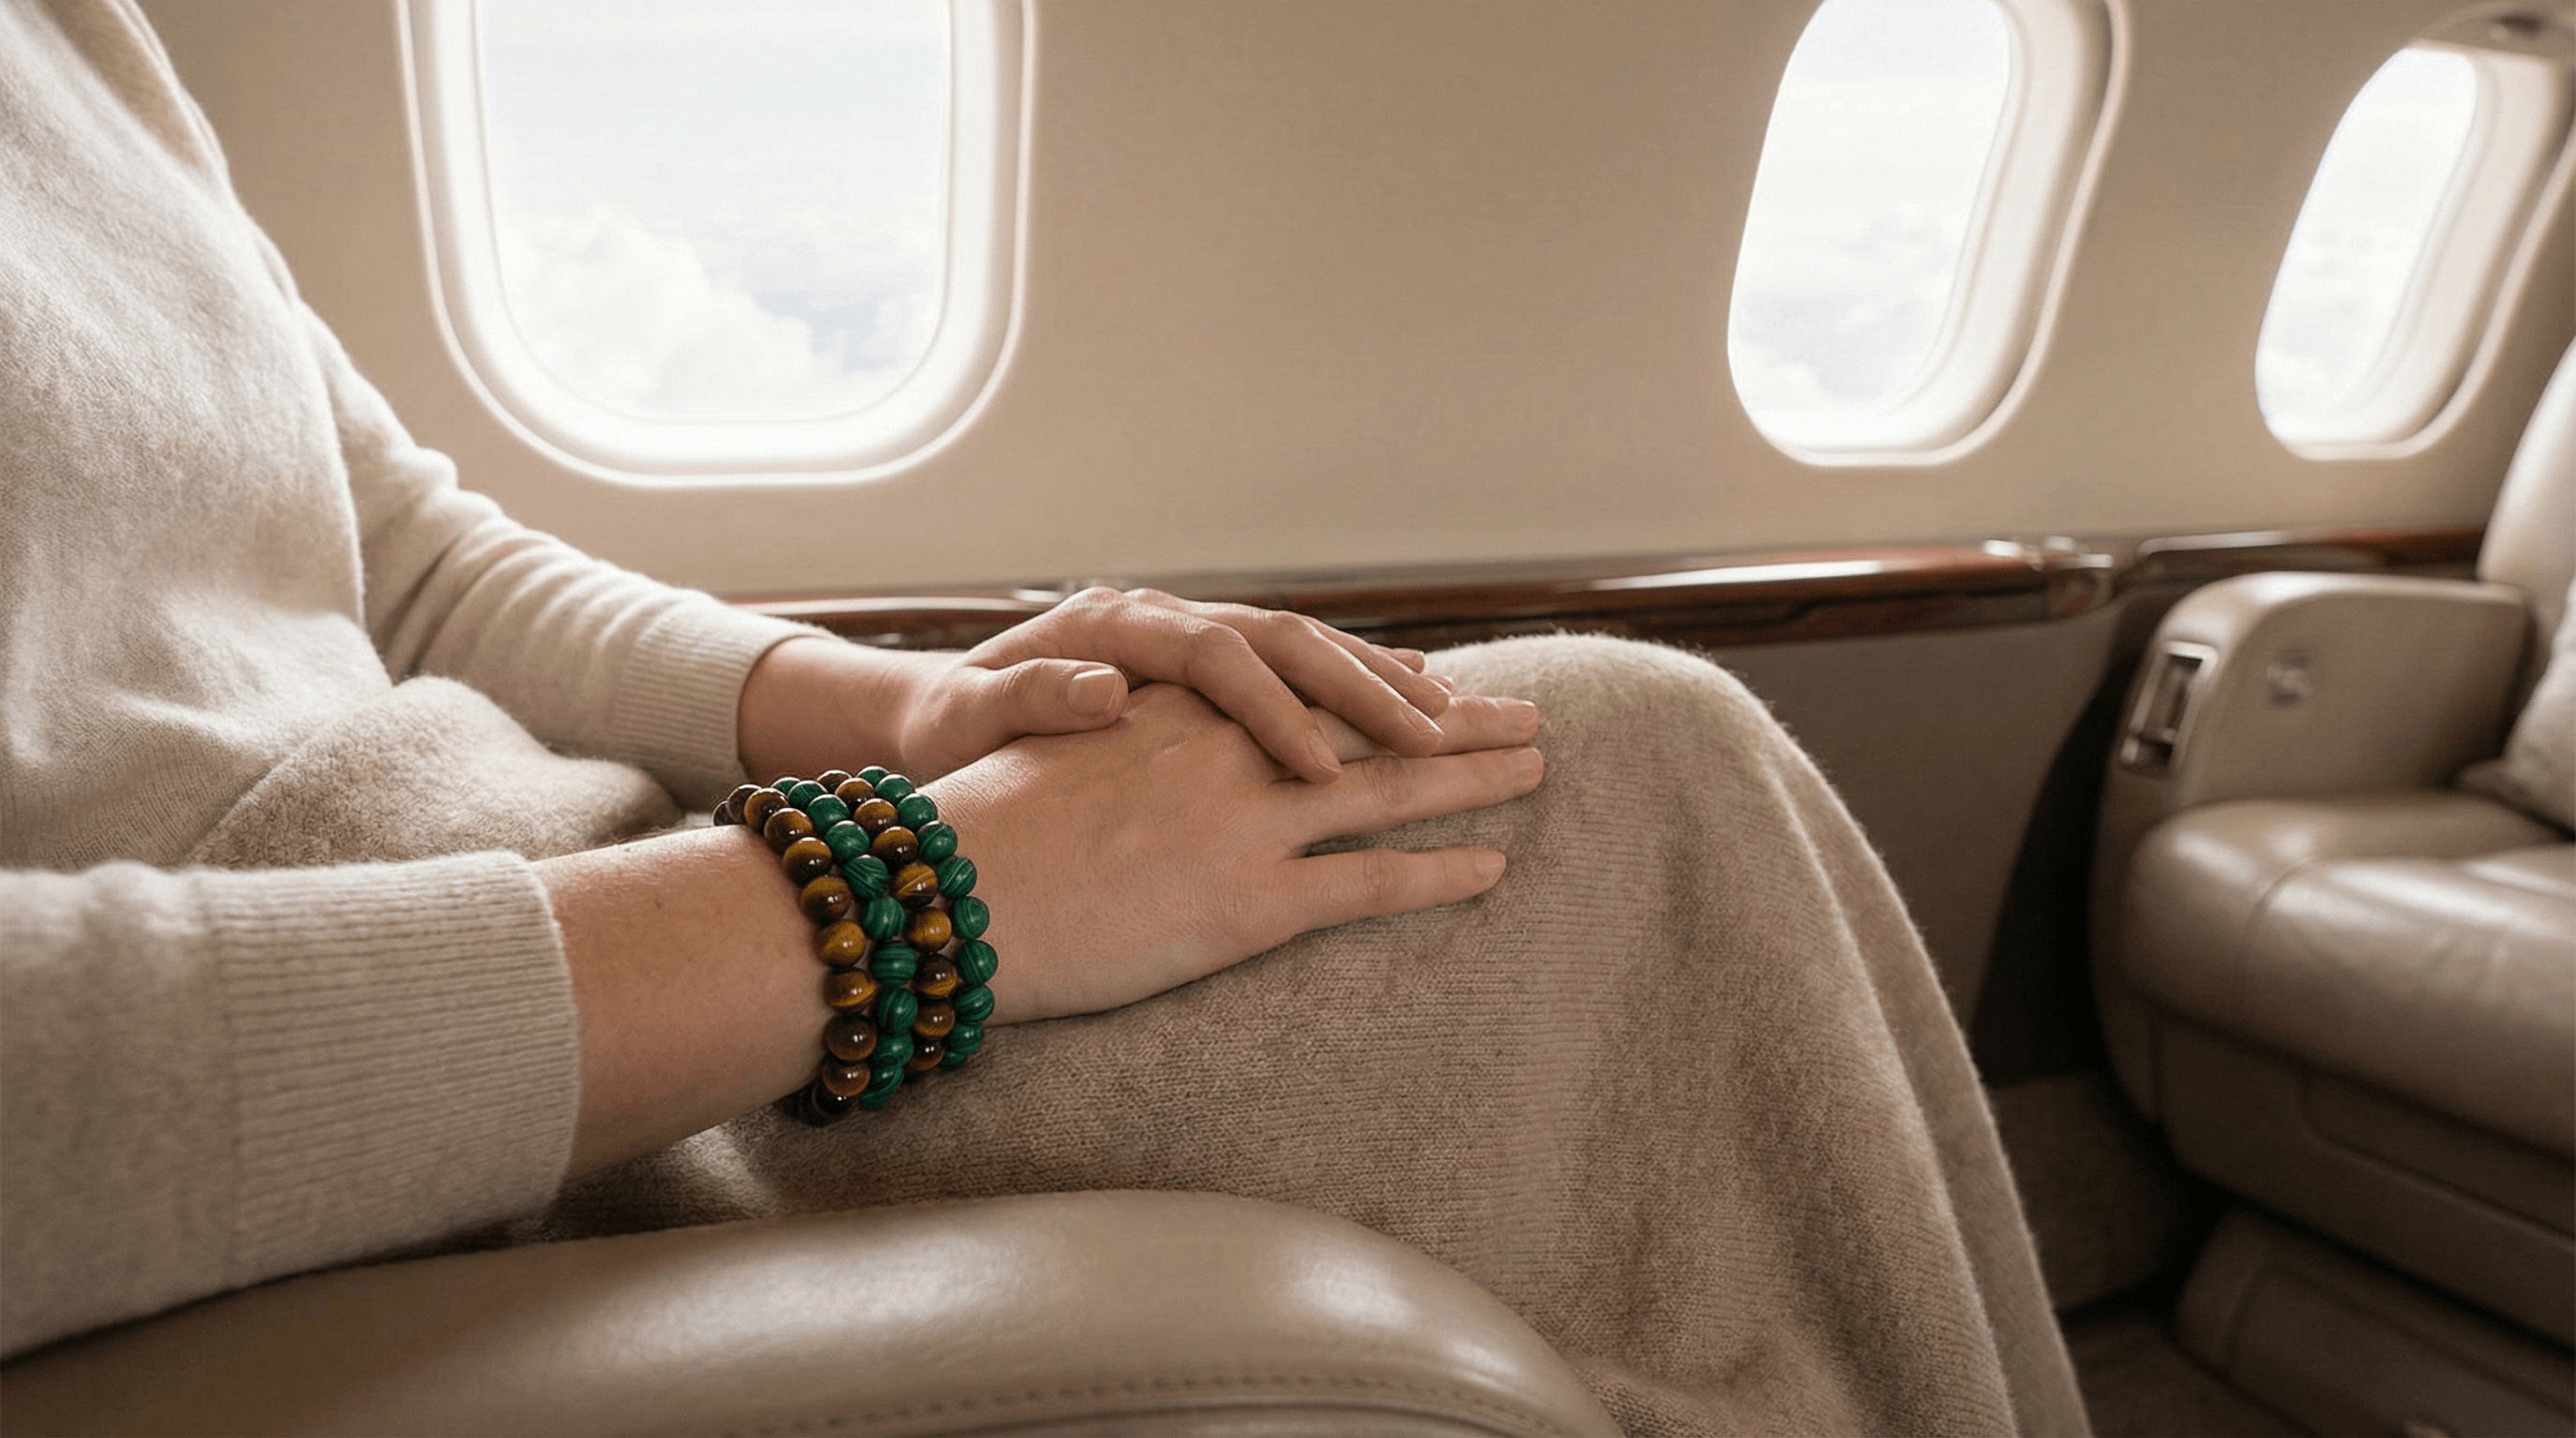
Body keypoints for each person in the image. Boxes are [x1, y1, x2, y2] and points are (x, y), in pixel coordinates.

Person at [0, 1, 2088, 1431]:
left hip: (580, 863)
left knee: (1642, 753)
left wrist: (921, 707)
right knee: (1623, 805)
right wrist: (904, 884)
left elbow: (405, 554)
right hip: (395, 1062)